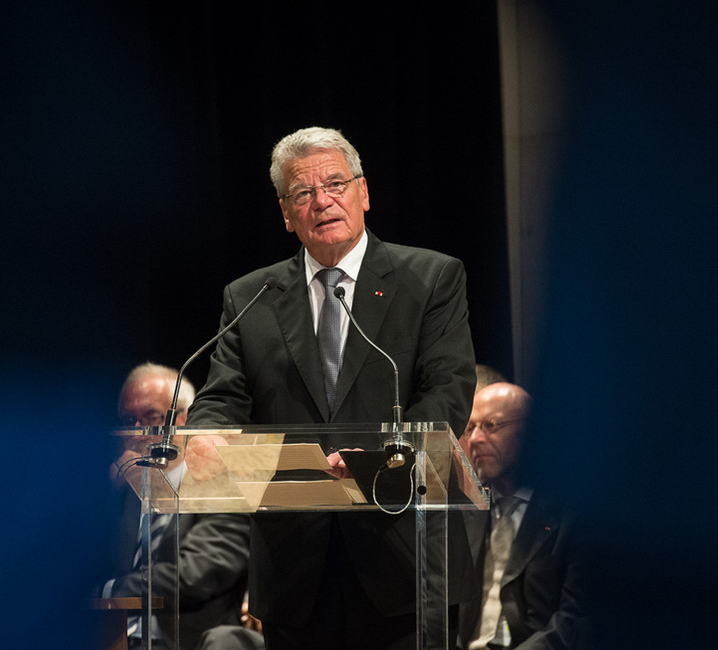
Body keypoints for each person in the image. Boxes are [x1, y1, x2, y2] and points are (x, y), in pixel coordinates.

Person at [185, 127, 477, 649]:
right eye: (303, 193)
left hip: (402, 557)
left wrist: (384, 455)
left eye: (336, 184)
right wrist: (205, 436)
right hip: (295, 568)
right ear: (285, 212)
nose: (322, 201)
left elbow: (446, 391)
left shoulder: (430, 278)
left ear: (364, 193)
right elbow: (222, 396)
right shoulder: (252, 296)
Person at [102, 362, 252, 650]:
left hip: (187, 641)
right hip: (112, 639)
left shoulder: (222, 486)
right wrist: (105, 494)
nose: (137, 432)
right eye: (127, 420)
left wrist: (109, 592)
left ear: (183, 420)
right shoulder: (122, 487)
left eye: (151, 417)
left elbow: (194, 573)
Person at [457, 383, 585, 649]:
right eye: (470, 428)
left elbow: (575, 619)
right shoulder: (467, 510)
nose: (475, 440)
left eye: (491, 425)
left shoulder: (574, 513)